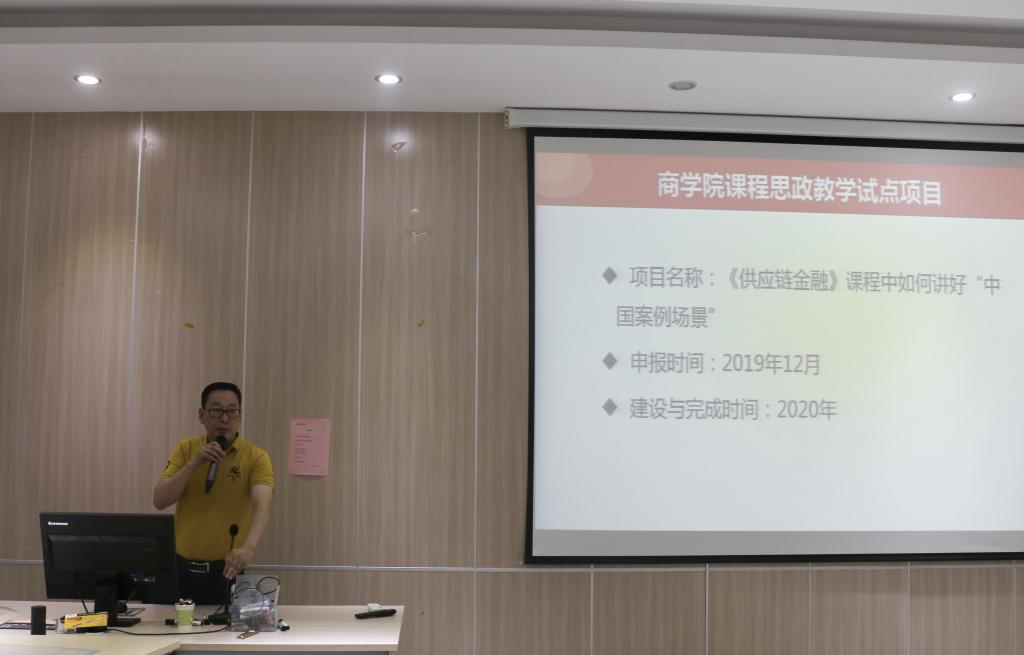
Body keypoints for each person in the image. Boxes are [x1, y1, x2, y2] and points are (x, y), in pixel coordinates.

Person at [153, 381, 274, 605]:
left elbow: (263, 505)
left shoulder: (256, 457)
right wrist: (194, 463)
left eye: (231, 411)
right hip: (180, 568)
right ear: (202, 415)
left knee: (224, 627)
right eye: (216, 411)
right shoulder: (186, 449)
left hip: (227, 569)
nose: (224, 419)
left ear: (239, 415)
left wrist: (249, 548)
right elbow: (160, 500)